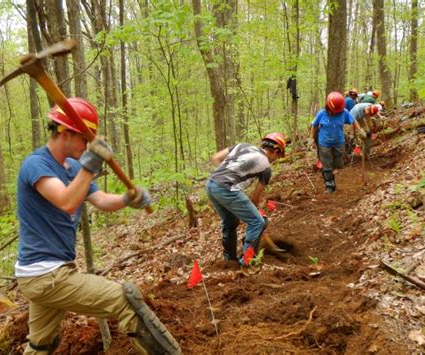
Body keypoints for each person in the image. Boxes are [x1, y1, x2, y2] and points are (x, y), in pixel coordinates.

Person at [15, 98, 181, 355]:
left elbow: (101, 200)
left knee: (42, 344)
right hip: (45, 275)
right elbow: (67, 202)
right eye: (84, 138)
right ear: (66, 133)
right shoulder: (36, 165)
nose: (87, 145)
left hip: (48, 272)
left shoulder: (71, 167)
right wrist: (90, 166)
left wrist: (127, 199)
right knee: (126, 300)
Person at [205, 133, 287, 266]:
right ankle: (247, 262)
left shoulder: (242, 146)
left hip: (211, 184)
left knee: (230, 222)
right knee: (257, 222)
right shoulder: (266, 167)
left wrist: (228, 176)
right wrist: (254, 214)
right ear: (275, 151)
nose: (277, 159)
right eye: (278, 155)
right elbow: (255, 198)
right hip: (227, 189)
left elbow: (216, 157)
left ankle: (230, 260)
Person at [310, 92, 366, 193]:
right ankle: (329, 185)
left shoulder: (344, 112)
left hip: (339, 142)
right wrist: (311, 139)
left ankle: (331, 174)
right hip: (324, 143)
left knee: (338, 164)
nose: (336, 113)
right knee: (327, 164)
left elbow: (353, 121)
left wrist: (360, 130)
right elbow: (314, 125)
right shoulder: (321, 114)